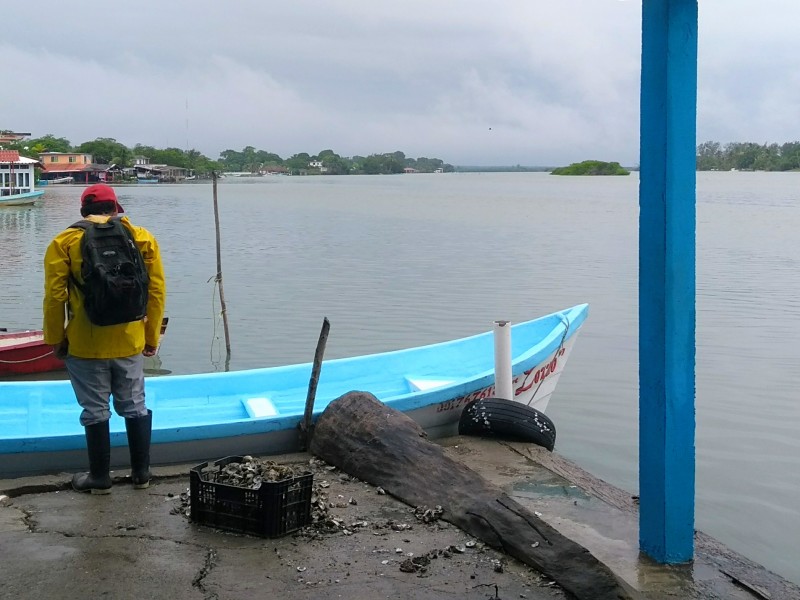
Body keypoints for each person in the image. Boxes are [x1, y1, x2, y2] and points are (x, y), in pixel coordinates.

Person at [43, 183, 166, 494]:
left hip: (85, 342)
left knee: (96, 409)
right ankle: (142, 474)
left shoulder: (65, 241)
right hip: (130, 339)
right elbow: (156, 292)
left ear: (83, 210)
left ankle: (99, 478)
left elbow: (55, 297)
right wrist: (151, 337)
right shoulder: (142, 238)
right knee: (135, 405)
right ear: (115, 208)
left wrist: (56, 339)